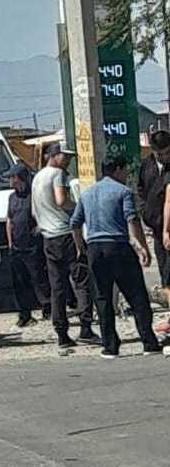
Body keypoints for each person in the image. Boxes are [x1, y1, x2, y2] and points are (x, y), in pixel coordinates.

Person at [72, 155, 162, 358]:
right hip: (118, 247)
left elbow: (75, 223)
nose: (127, 175)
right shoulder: (123, 191)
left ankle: (110, 346)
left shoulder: (87, 194)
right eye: (125, 171)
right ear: (118, 170)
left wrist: (81, 248)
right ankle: (148, 342)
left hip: (95, 248)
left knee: (102, 299)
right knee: (137, 296)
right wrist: (142, 247)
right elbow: (132, 219)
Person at [31, 142, 98, 348]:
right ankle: (85, 327)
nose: (68, 160)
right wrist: (79, 208)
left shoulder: (37, 177)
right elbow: (61, 201)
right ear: (54, 156)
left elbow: (34, 211)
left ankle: (62, 333)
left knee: (57, 287)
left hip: (48, 237)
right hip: (66, 234)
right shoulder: (57, 175)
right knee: (81, 280)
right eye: (65, 156)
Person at [4, 164, 51, 327]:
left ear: (20, 178)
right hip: (16, 247)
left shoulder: (33, 195)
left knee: (39, 278)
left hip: (32, 246)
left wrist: (38, 231)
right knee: (19, 281)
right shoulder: (11, 197)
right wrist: (10, 242)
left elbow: (41, 215)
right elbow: (9, 220)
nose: (10, 180)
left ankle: (48, 308)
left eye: (12, 177)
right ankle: (24, 314)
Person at [139, 131, 170, 334]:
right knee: (164, 272)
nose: (164, 157)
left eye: (167, 152)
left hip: (167, 228)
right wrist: (144, 212)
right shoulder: (147, 165)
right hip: (156, 228)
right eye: (160, 154)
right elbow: (141, 190)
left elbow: (168, 202)